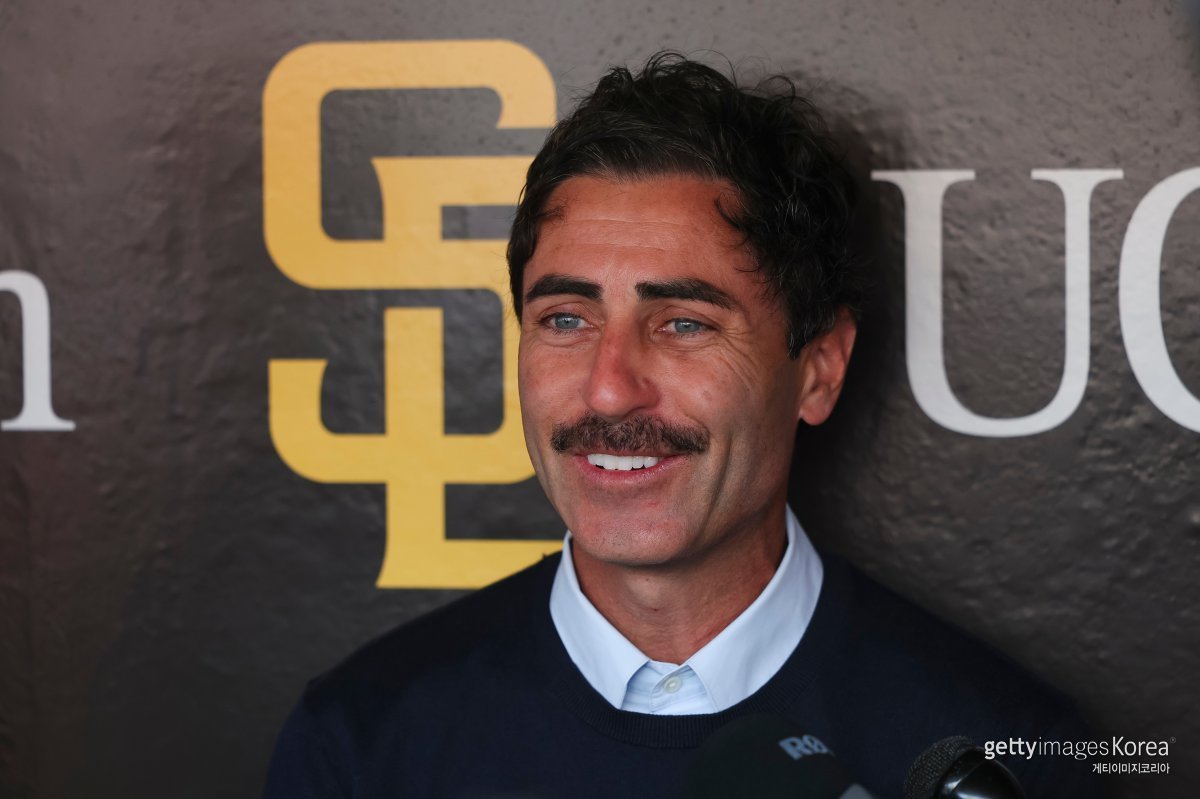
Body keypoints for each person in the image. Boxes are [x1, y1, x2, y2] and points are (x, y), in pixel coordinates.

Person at [264, 54, 1101, 798]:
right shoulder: (359, 746)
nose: (608, 391)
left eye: (684, 323)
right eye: (565, 318)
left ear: (819, 367)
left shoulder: (1004, 757)